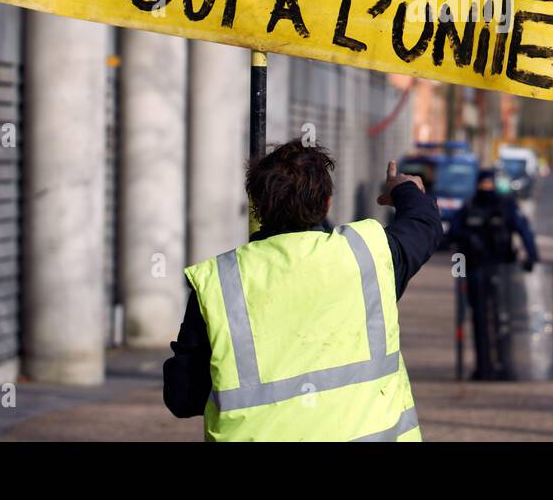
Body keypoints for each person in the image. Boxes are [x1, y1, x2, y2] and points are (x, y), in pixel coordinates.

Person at [162, 141, 443, 440]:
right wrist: (404, 189)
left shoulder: (219, 281)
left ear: (257, 206)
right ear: (327, 203)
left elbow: (183, 398)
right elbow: (424, 224)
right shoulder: (368, 256)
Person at [449, 168, 539, 380]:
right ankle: (484, 367)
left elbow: (523, 230)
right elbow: (452, 231)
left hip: (503, 269)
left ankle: (506, 365)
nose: (486, 189)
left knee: (503, 320)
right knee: (480, 320)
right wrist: (468, 237)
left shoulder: (505, 205)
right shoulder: (469, 207)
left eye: (489, 184)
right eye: (482, 185)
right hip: (476, 268)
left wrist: (532, 256)